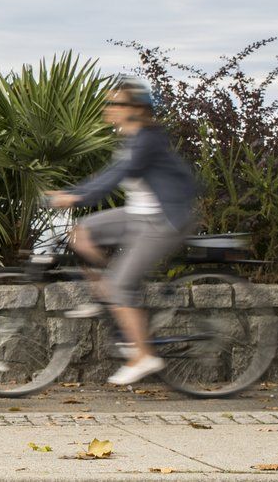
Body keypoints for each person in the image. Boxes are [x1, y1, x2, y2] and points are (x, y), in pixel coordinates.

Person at [44, 77, 198, 386]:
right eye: (109, 102)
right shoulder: (131, 137)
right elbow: (108, 174)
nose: (109, 108)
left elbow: (120, 174)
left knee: (120, 286)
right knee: (80, 233)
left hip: (165, 220)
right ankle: (108, 292)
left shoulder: (148, 140)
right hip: (139, 215)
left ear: (137, 109)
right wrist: (73, 191)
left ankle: (142, 355)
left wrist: (76, 196)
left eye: (116, 103)